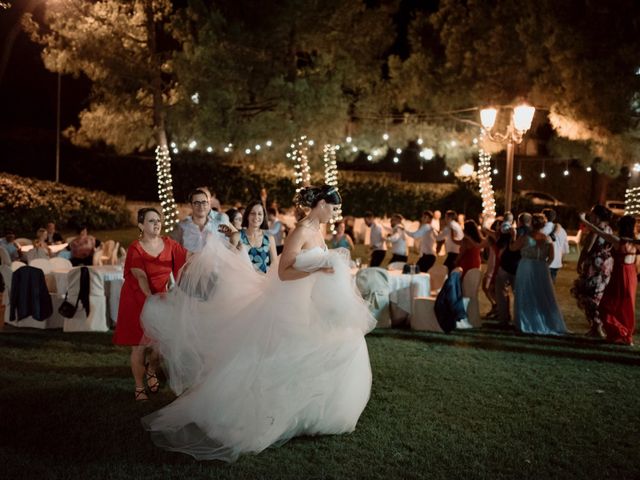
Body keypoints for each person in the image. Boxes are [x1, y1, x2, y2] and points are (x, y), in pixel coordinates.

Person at [140, 185, 375, 461]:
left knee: (338, 346)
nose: (334, 213)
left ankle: (312, 414)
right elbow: (285, 273)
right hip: (292, 307)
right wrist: (316, 267)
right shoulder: (299, 231)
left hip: (312, 304)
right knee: (286, 358)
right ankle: (275, 414)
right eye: (332, 207)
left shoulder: (318, 232)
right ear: (320, 204)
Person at [113, 208, 187, 401]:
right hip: (136, 299)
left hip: (160, 299)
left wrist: (211, 252)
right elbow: (140, 275)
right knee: (139, 346)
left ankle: (152, 371)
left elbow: (188, 258)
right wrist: (149, 296)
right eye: (151, 220)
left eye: (158, 220)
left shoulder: (170, 244)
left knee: (158, 347)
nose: (157, 224)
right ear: (141, 225)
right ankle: (139, 386)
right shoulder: (135, 248)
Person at [580, 213, 637, 345]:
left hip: (620, 275)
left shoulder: (617, 241)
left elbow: (597, 231)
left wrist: (583, 220)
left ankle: (621, 332)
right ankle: (624, 335)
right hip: (631, 275)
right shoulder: (635, 242)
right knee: (626, 307)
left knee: (606, 305)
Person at [510, 213, 566, 335]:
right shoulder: (548, 239)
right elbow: (551, 257)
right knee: (541, 294)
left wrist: (512, 237)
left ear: (531, 223)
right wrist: (544, 265)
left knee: (525, 293)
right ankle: (544, 321)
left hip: (526, 266)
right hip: (541, 267)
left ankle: (526, 322)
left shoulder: (525, 237)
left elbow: (512, 248)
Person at [571, 205, 614, 338]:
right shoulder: (608, 229)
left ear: (597, 216)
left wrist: (580, 262)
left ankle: (596, 327)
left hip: (595, 264)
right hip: (606, 264)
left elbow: (587, 248)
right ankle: (596, 327)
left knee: (589, 295)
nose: (590, 216)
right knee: (598, 295)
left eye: (592, 214)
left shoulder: (596, 230)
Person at [494, 212, 531, 327]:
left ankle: (504, 319)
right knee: (519, 294)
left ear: (519, 221)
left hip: (506, 265)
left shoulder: (512, 232)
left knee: (501, 293)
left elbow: (501, 244)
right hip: (521, 266)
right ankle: (519, 320)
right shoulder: (533, 233)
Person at [172, 189, 232, 253]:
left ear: (208, 204)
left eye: (204, 202)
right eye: (196, 203)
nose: (201, 206)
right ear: (190, 205)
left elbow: (227, 249)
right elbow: (172, 250)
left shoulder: (218, 226)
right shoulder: (182, 226)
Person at [230, 200, 278, 274]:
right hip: (241, 283)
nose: (256, 217)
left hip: (264, 283)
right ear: (247, 216)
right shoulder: (237, 237)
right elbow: (229, 264)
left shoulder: (269, 239)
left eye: (260, 214)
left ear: (263, 217)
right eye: (252, 213)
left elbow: (274, 266)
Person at [541, 208, 569, 282]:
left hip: (542, 263)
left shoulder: (540, 229)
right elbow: (565, 250)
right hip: (556, 263)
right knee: (549, 287)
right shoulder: (562, 231)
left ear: (543, 217)